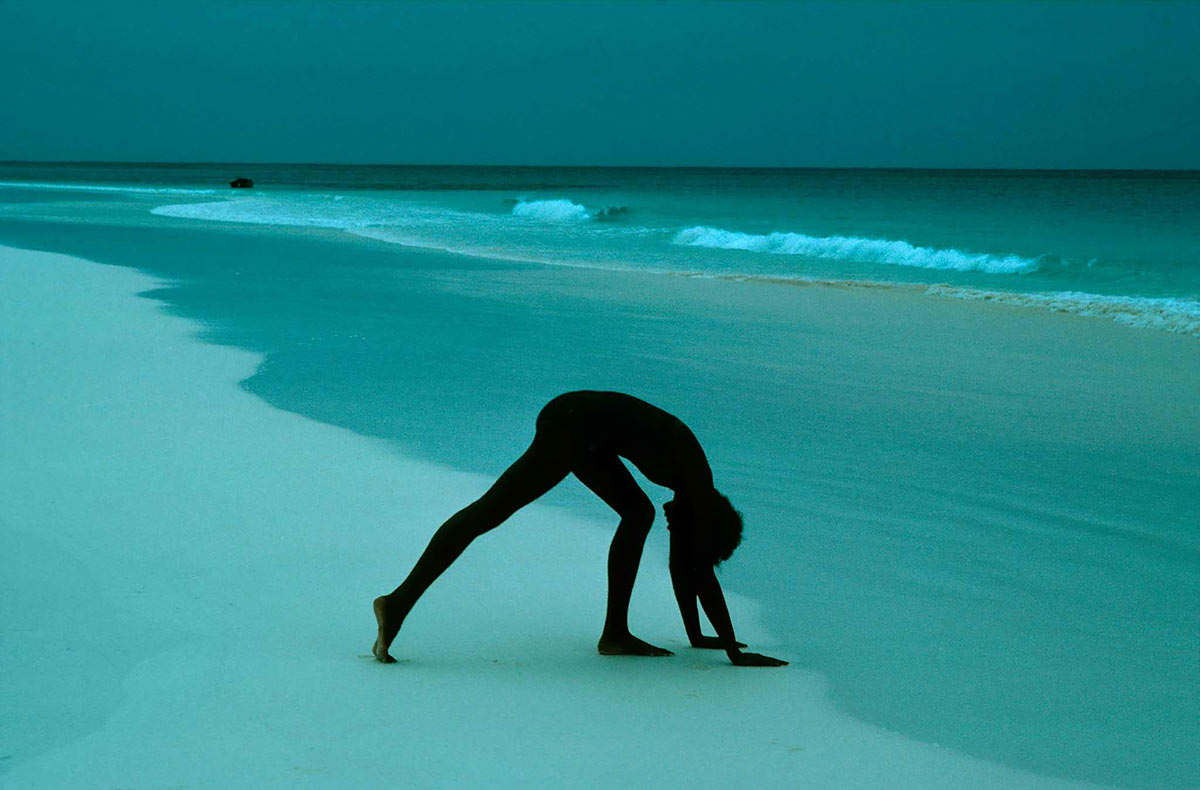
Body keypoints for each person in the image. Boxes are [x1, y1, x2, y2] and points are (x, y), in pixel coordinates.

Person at [372, 390, 787, 667]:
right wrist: (733, 650)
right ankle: (398, 603)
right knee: (490, 512)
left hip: (590, 433)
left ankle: (615, 634)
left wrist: (698, 636)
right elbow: (696, 568)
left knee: (638, 514)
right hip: (572, 424)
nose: (671, 521)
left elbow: (686, 566)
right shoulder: (695, 481)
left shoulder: (690, 496)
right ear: (707, 523)